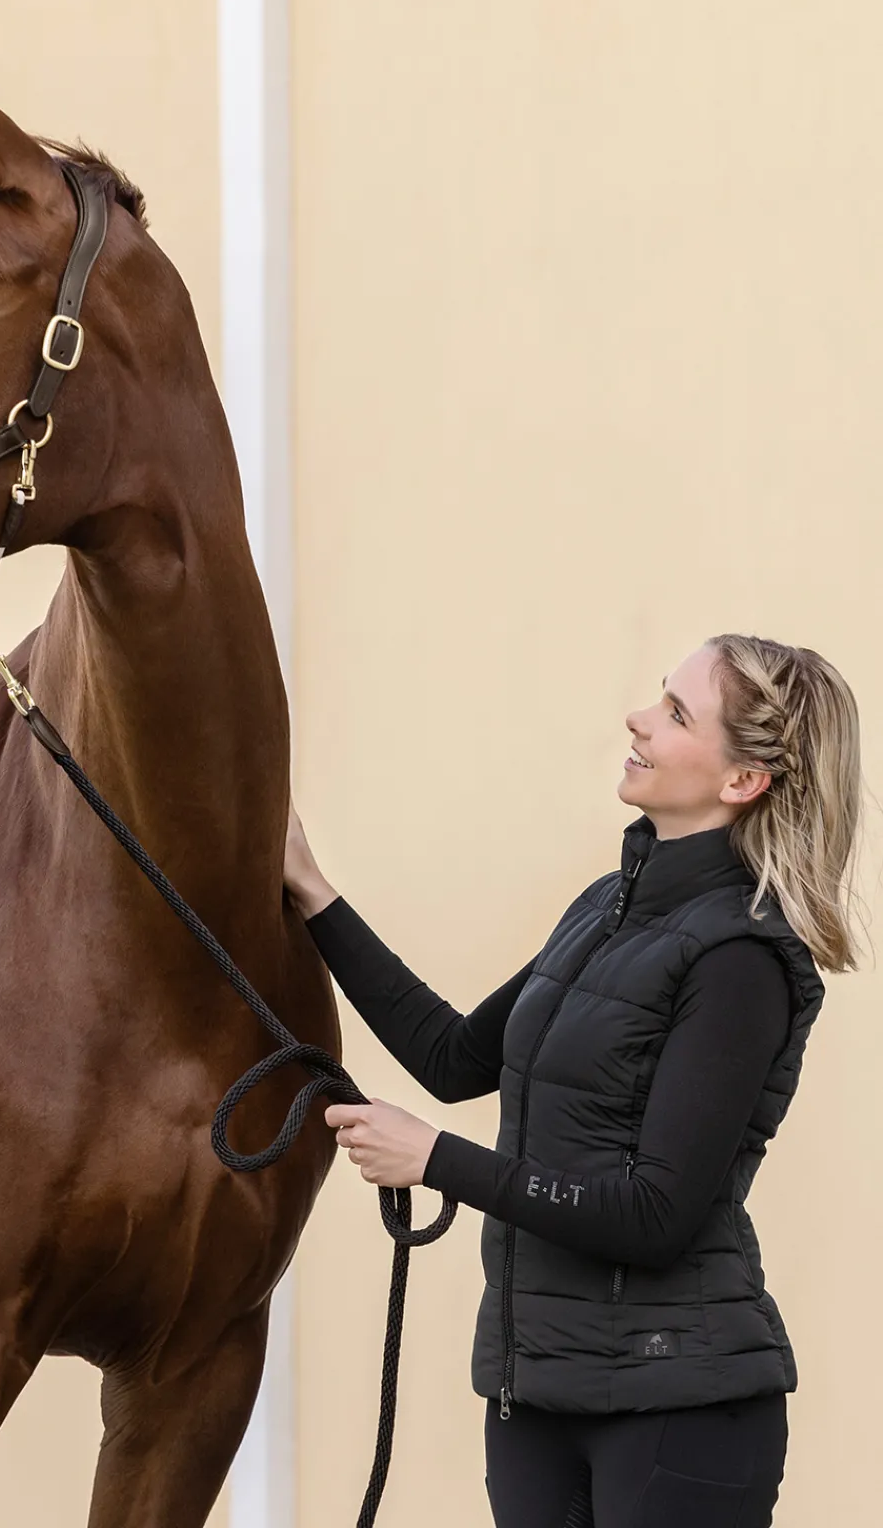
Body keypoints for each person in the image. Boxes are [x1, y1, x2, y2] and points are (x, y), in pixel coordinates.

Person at [283, 634, 863, 1528]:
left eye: (676, 713)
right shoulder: (605, 908)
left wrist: (436, 1161)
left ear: (742, 780)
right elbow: (453, 1057)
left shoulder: (743, 958)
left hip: (680, 1410)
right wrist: (311, 892)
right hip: (535, 1398)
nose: (639, 718)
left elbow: (655, 1214)